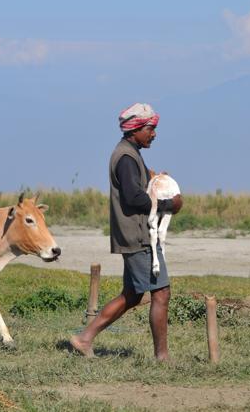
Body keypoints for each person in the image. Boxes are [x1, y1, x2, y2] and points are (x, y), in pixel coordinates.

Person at [71, 102, 183, 361]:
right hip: (139, 235)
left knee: (132, 295)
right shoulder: (126, 157)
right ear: (136, 129)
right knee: (161, 292)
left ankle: (84, 338)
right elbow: (134, 198)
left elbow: (138, 188)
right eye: (150, 129)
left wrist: (153, 179)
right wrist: (170, 204)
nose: (154, 134)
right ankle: (162, 358)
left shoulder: (129, 153)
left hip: (134, 233)